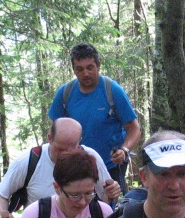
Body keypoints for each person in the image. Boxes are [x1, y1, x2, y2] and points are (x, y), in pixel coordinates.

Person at [0, 117, 120, 218]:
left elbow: (105, 198)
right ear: (50, 138)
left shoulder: (90, 158)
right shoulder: (29, 160)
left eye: (71, 149)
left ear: (79, 141)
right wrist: (2, 217)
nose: (65, 154)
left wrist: (112, 192)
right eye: (60, 149)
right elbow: (0, 193)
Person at [49, 43, 141, 192]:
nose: (85, 73)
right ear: (74, 70)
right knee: (78, 202)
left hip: (110, 166)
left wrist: (124, 150)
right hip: (76, 167)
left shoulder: (112, 90)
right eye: (80, 69)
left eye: (90, 67)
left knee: (110, 203)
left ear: (98, 66)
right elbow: (55, 131)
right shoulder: (65, 93)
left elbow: (134, 128)